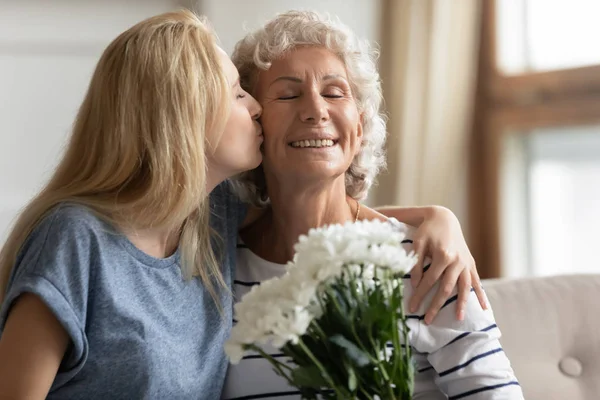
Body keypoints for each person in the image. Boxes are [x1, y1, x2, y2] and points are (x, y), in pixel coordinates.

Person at [0, 9, 481, 400]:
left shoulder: (209, 222)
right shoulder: (76, 239)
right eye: (236, 93)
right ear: (184, 116)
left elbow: (314, 214)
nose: (254, 108)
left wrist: (437, 218)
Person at [222, 11, 524, 400]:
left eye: (334, 93)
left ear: (359, 126)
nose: (316, 110)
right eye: (288, 94)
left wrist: (438, 216)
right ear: (254, 123)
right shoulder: (219, 268)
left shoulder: (424, 259)